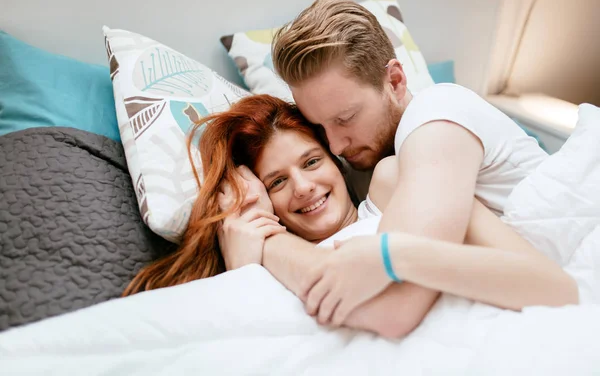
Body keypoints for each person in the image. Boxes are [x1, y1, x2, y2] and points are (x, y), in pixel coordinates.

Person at [124, 95, 577, 339]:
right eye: (276, 182)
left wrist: (269, 244)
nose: (302, 187)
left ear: (337, 160)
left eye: (311, 162)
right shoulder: (245, 254)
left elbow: (548, 284)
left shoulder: (395, 184)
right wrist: (244, 269)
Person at [246, 0, 556, 335]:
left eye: (345, 118)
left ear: (395, 81)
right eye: (320, 127)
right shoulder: (374, 165)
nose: (334, 145)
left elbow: (395, 307)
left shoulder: (436, 116)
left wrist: (269, 244)